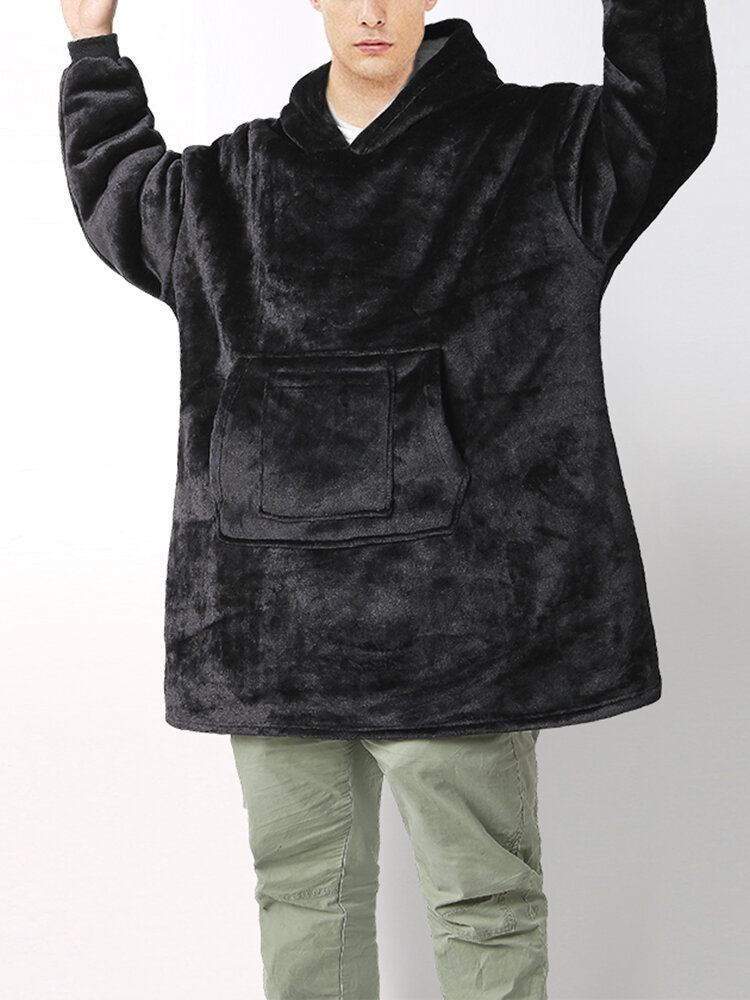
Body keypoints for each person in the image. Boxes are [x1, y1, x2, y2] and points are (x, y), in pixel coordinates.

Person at [58, 1, 717, 997]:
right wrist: (91, 45)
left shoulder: (542, 152)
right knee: (300, 900)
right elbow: (121, 192)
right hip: (275, 636)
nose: (371, 10)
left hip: (459, 636)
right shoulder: (230, 183)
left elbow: (664, 115)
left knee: (484, 903)